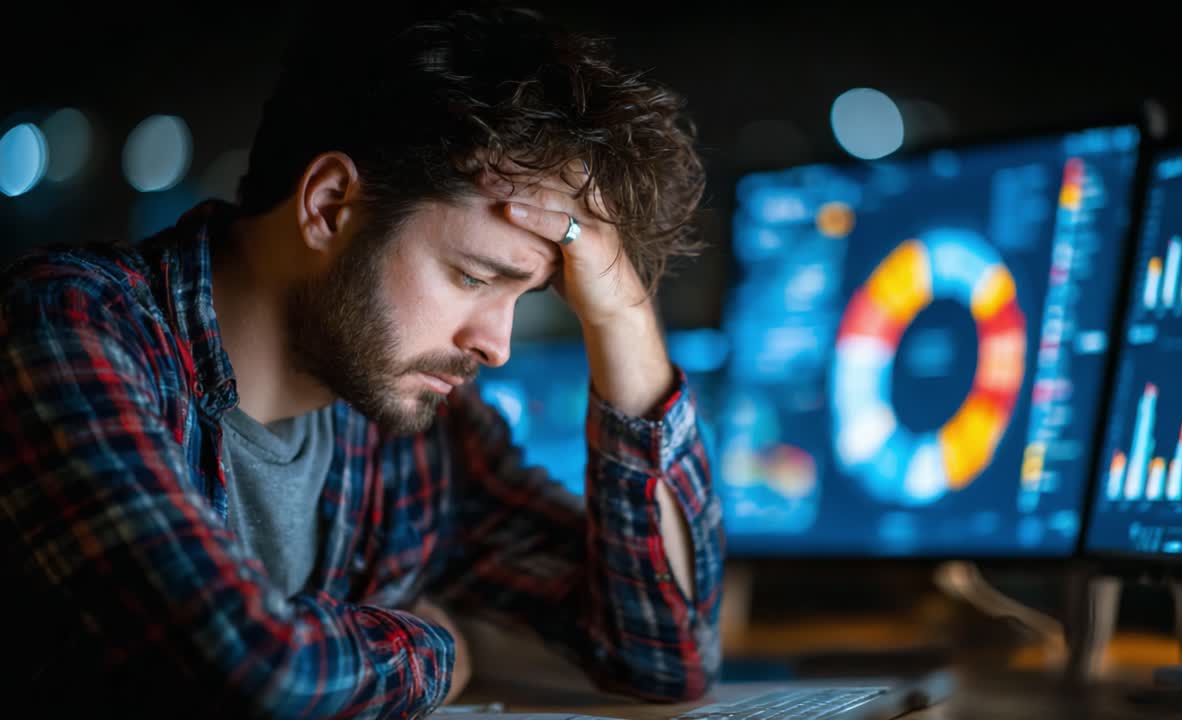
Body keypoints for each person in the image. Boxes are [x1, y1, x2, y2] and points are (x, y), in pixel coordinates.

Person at [0, 4, 724, 718]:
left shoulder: (422, 435)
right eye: (474, 277)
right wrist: (442, 648)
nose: (495, 346)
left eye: (529, 292)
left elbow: (666, 655)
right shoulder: (64, 326)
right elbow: (250, 674)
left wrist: (622, 318)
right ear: (329, 205)